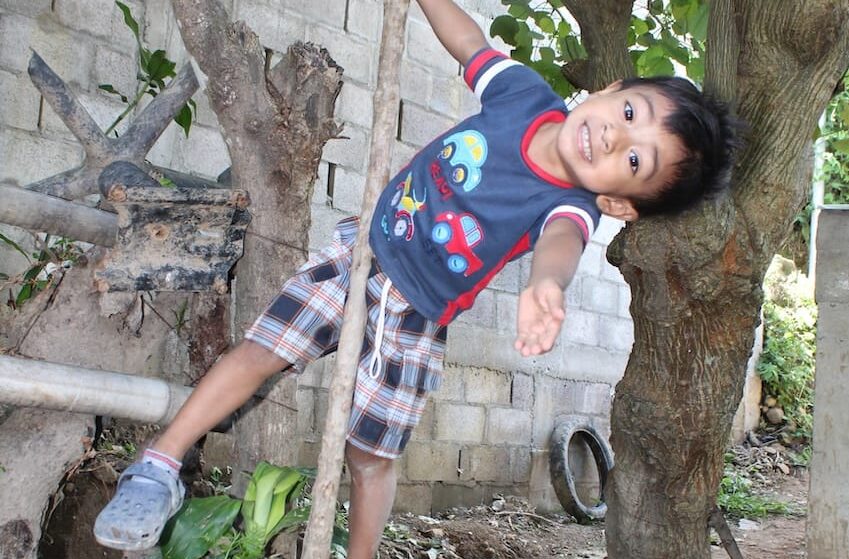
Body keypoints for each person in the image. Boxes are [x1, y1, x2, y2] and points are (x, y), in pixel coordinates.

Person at [94, 0, 739, 556]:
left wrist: (547, 287)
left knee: (370, 456)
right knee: (259, 352)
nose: (613, 137)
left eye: (635, 159)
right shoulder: (524, 97)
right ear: (609, 90)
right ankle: (158, 467)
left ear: (620, 203)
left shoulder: (568, 207)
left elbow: (559, 248)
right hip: (362, 253)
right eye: (629, 112)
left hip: (414, 315)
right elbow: (469, 43)